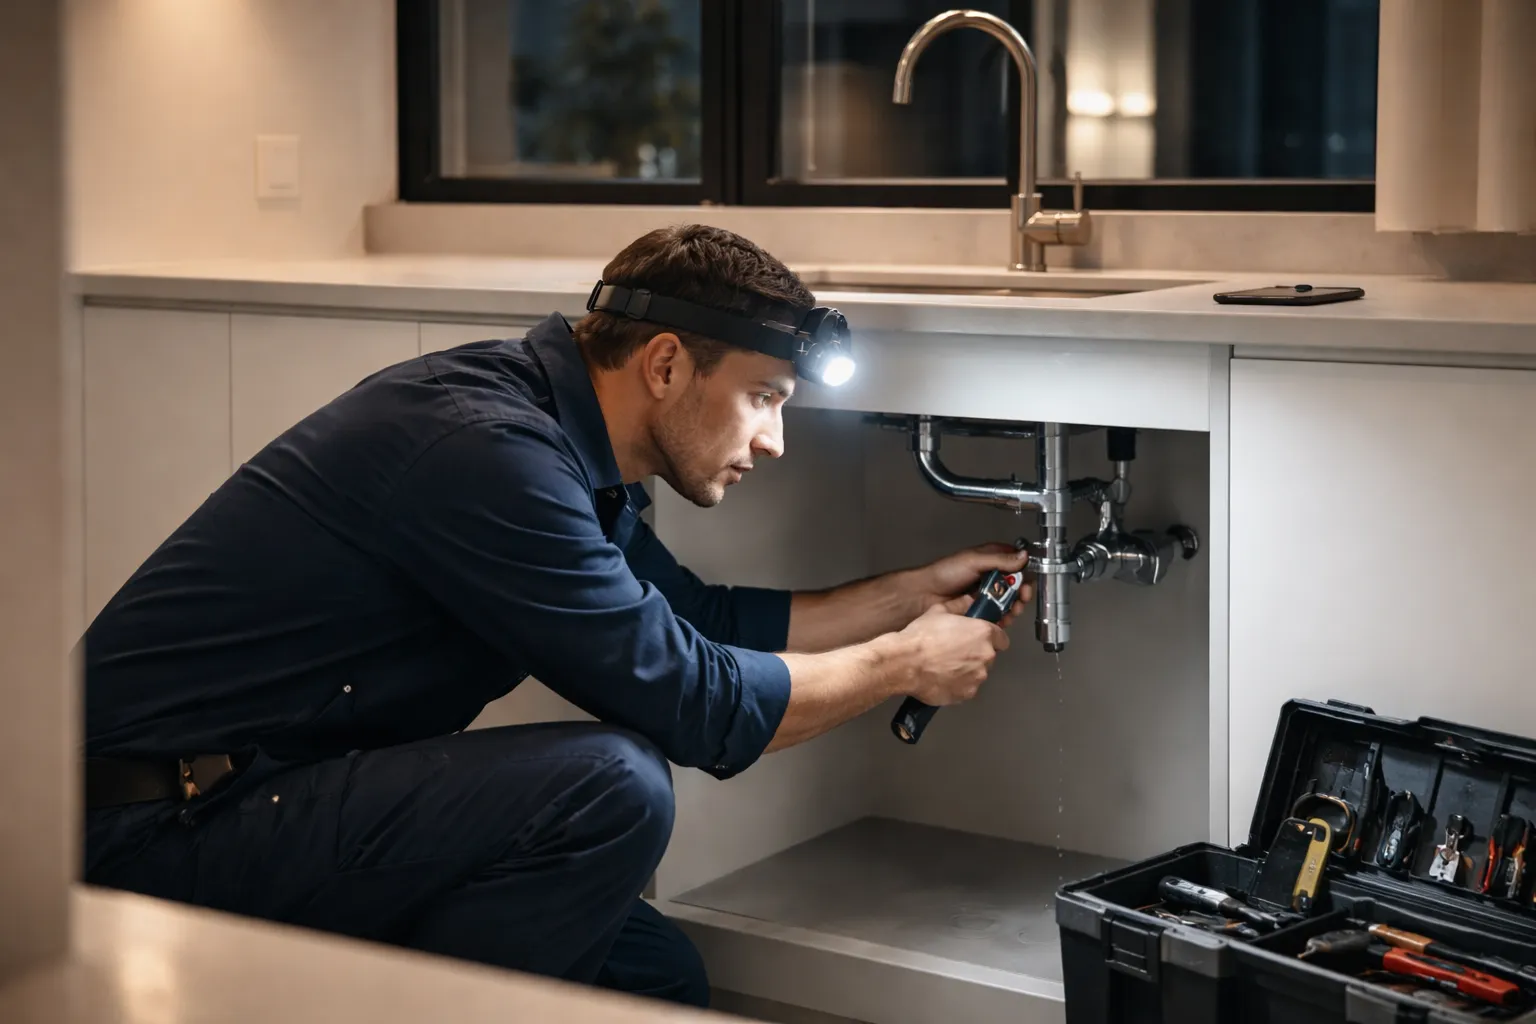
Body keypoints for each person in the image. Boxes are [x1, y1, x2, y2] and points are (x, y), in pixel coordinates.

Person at [81, 224, 1031, 1008]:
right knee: (612, 786)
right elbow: (698, 707)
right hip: (151, 830)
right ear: (665, 363)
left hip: (270, 793)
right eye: (762, 398)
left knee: (654, 979)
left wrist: (909, 595)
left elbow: (693, 620)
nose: (774, 440)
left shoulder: (558, 441)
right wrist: (904, 663)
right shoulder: (485, 453)